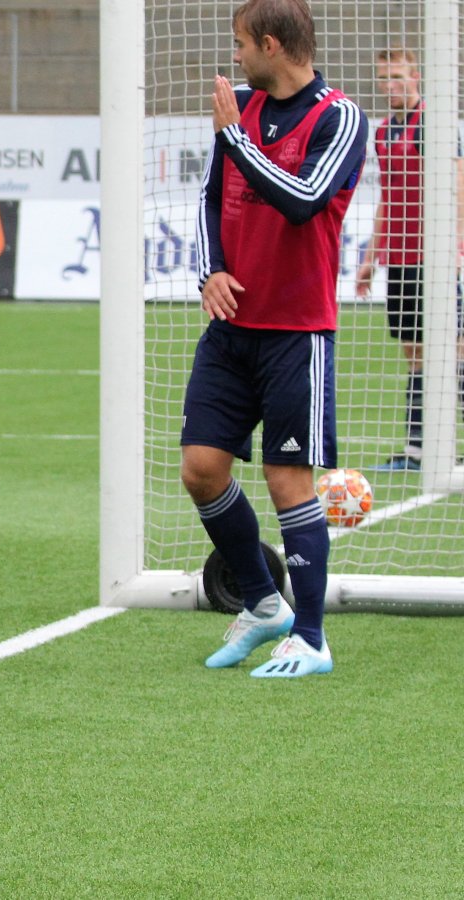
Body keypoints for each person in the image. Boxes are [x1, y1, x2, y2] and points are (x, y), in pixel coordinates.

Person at [187, 0, 367, 677]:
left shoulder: (340, 117)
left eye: (241, 46)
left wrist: (237, 140)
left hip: (297, 333)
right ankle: (264, 604)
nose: (236, 58)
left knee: (288, 478)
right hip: (231, 330)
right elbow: (211, 197)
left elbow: (303, 199)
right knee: (201, 470)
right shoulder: (241, 107)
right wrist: (210, 271)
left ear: (270, 44)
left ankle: (313, 638)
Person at [353, 48, 464, 471]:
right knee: (415, 353)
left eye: (397, 77)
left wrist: (454, 247)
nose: (390, 86)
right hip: (400, 259)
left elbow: (457, 182)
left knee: (455, 350)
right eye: (384, 78)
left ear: (416, 76)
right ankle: (418, 449)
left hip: (436, 257)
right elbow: (389, 197)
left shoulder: (431, 124)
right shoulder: (382, 132)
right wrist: (369, 256)